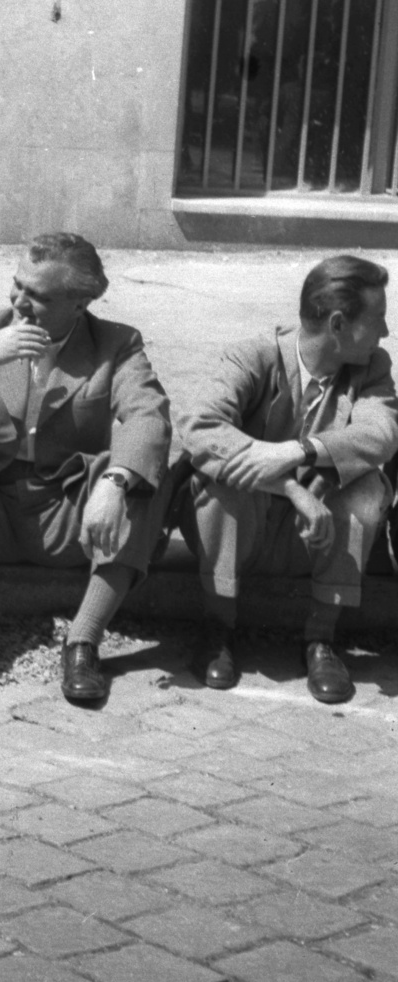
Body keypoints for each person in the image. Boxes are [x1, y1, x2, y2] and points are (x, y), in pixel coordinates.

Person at [0, 233, 176, 705]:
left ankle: (83, 642)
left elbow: (149, 416)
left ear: (81, 302)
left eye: (38, 296)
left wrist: (113, 483)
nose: (19, 302)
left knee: (143, 470)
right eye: (16, 285)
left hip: (67, 517)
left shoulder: (116, 344)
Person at [179, 255, 398, 703]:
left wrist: (296, 450)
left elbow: (381, 434)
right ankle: (217, 627)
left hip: (318, 536)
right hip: (248, 527)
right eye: (378, 319)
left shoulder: (371, 367)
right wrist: (290, 487)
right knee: (221, 483)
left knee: (368, 488)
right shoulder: (254, 355)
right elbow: (199, 428)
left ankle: (321, 638)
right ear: (338, 323)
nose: (385, 332)